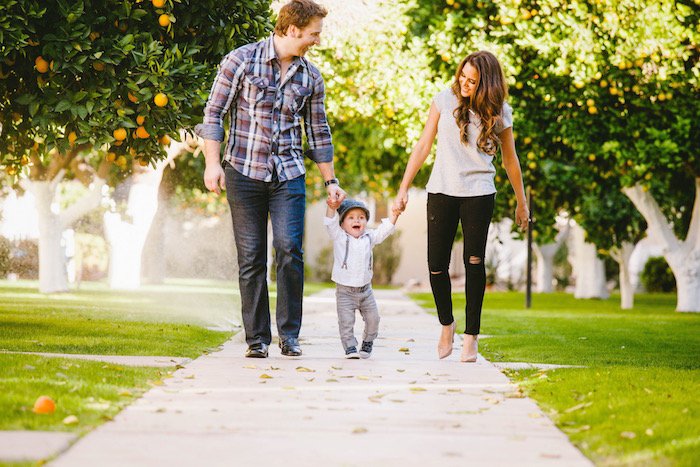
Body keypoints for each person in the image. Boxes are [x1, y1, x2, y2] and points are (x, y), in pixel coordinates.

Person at [196, 0, 346, 359]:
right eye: (314, 34)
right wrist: (212, 164)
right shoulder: (241, 61)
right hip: (243, 171)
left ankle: (289, 336)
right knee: (251, 257)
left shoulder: (310, 76)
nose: (317, 41)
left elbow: (318, 132)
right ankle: (257, 339)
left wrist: (330, 182)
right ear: (293, 30)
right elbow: (214, 113)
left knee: (289, 249)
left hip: (288, 174)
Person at [392, 51, 529, 362]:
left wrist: (522, 203)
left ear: (487, 84)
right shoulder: (443, 99)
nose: (465, 84)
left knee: (474, 262)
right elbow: (423, 145)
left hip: (479, 192)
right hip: (441, 189)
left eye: (473, 81)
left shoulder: (501, 111)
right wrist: (402, 189)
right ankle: (447, 324)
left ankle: (471, 336)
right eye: (462, 77)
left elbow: (510, 160)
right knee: (436, 265)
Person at [324, 199, 399, 358]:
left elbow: (384, 230)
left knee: (374, 319)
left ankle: (368, 341)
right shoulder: (339, 236)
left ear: (366, 221)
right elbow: (330, 223)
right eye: (351, 218)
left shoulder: (369, 237)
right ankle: (350, 347)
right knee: (346, 322)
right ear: (342, 223)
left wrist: (395, 214)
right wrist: (331, 207)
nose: (356, 220)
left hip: (366, 291)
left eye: (361, 217)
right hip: (345, 292)